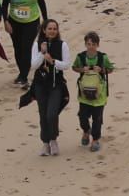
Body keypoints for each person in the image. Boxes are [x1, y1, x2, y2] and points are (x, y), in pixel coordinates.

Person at [21, 18, 73, 156]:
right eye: (49, 28)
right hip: (40, 85)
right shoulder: (36, 45)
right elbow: (33, 65)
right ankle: (45, 143)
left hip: (56, 85)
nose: (52, 31)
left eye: (54, 29)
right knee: (43, 114)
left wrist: (53, 61)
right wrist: (42, 53)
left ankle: (53, 139)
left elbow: (67, 64)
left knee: (51, 114)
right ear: (44, 30)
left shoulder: (62, 45)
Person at [73, 30, 115, 152]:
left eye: (93, 44)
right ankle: (86, 131)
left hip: (99, 95)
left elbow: (111, 69)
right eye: (89, 44)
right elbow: (74, 68)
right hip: (84, 94)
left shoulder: (103, 57)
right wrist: (82, 69)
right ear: (85, 44)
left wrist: (101, 70)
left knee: (97, 118)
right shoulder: (80, 57)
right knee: (82, 116)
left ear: (98, 45)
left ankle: (95, 140)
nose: (91, 46)